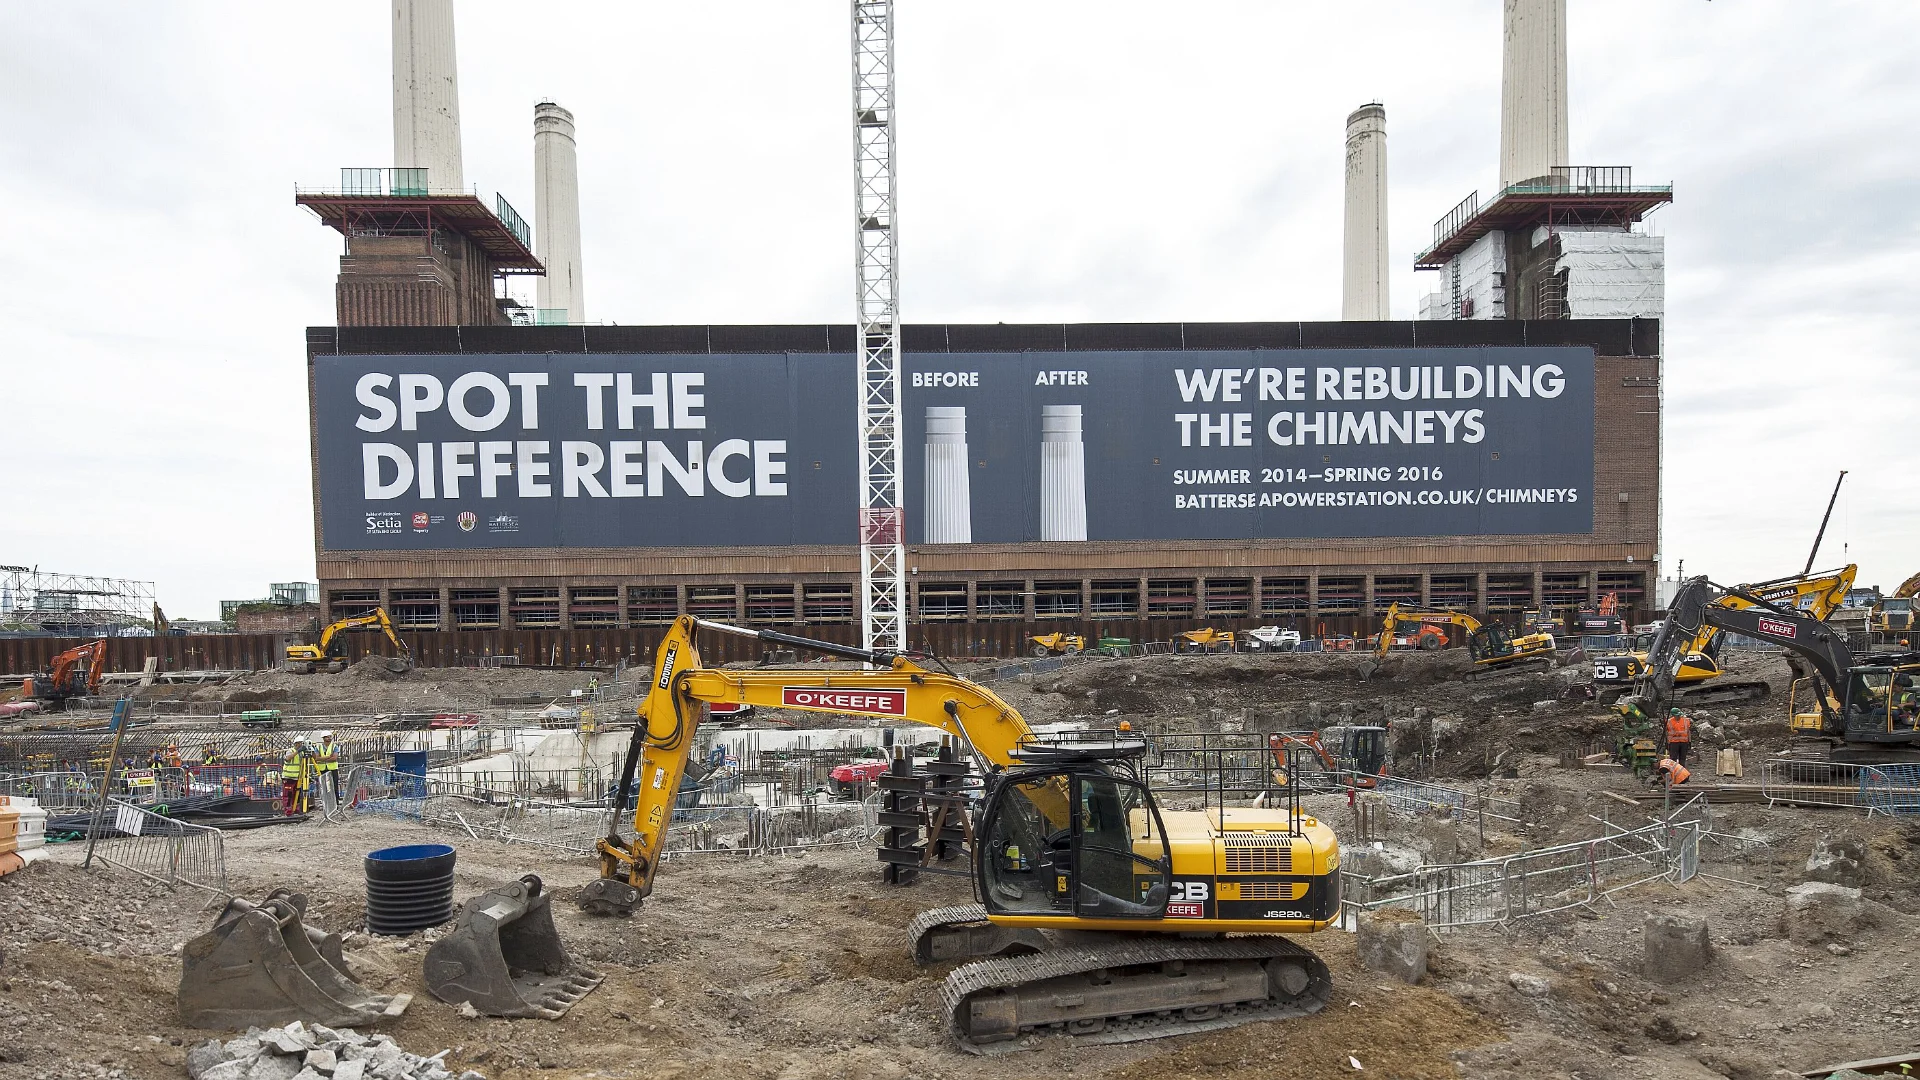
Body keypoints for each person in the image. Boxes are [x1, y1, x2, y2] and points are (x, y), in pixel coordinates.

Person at [280, 739, 307, 815]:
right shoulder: (290, 751)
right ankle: (288, 811)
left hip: (297, 778)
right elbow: (288, 758)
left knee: (297, 795)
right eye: (300, 743)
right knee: (288, 795)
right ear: (296, 744)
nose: (301, 745)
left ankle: (296, 809)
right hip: (288, 777)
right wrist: (298, 751)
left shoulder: (301, 753)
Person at [314, 731, 341, 800]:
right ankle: (326, 801)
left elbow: (334, 758)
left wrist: (322, 759)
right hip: (322, 770)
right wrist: (328, 757)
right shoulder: (319, 747)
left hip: (333, 769)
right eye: (327, 737)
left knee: (334, 786)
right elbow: (316, 759)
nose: (329, 738)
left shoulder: (334, 746)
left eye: (330, 736)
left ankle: (336, 801)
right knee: (324, 787)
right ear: (323, 738)